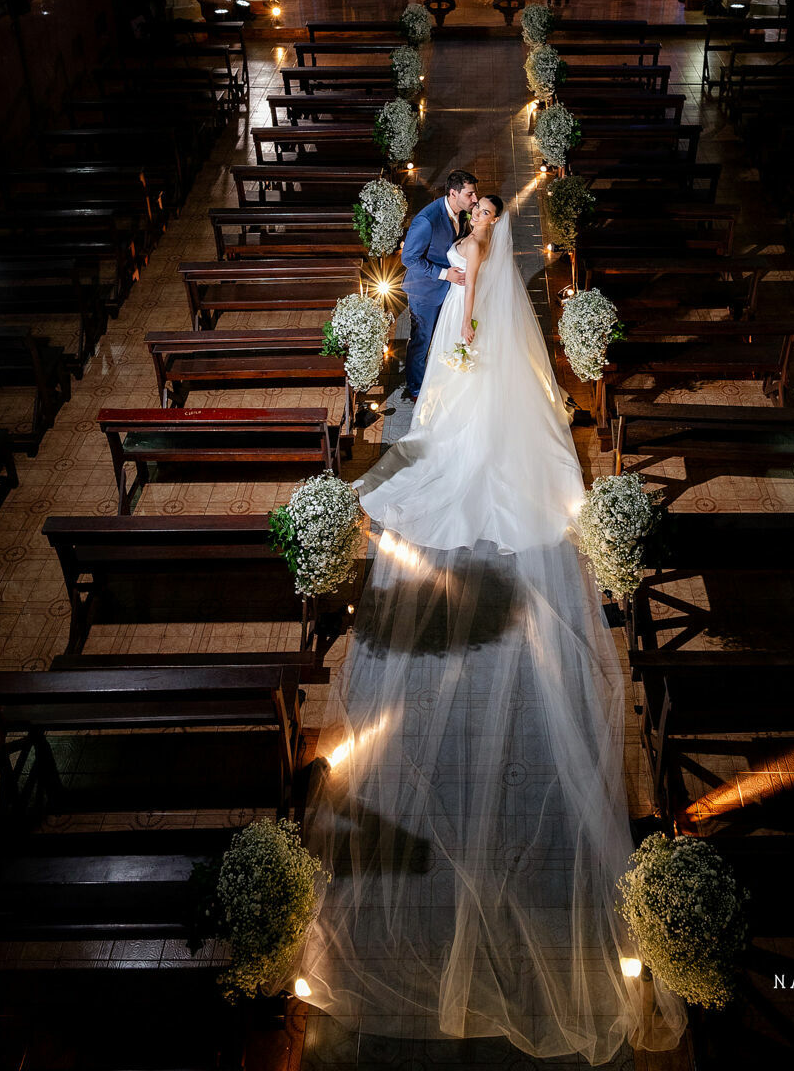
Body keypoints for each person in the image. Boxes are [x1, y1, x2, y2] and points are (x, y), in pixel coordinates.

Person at [301, 188, 687, 1062]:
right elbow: (485, 313)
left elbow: (466, 328)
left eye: (473, 208)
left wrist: (457, 337)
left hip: (467, 377)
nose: (473, 211)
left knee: (441, 464)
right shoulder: (492, 250)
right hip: (497, 386)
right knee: (478, 461)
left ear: (475, 222)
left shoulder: (473, 257)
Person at [397, 168, 478, 399]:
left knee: (444, 335)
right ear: (453, 193)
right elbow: (409, 258)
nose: (474, 199)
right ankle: (415, 389)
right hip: (425, 292)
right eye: (469, 195)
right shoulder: (426, 221)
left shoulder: (460, 212)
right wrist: (444, 274)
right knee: (422, 341)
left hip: (450, 291)